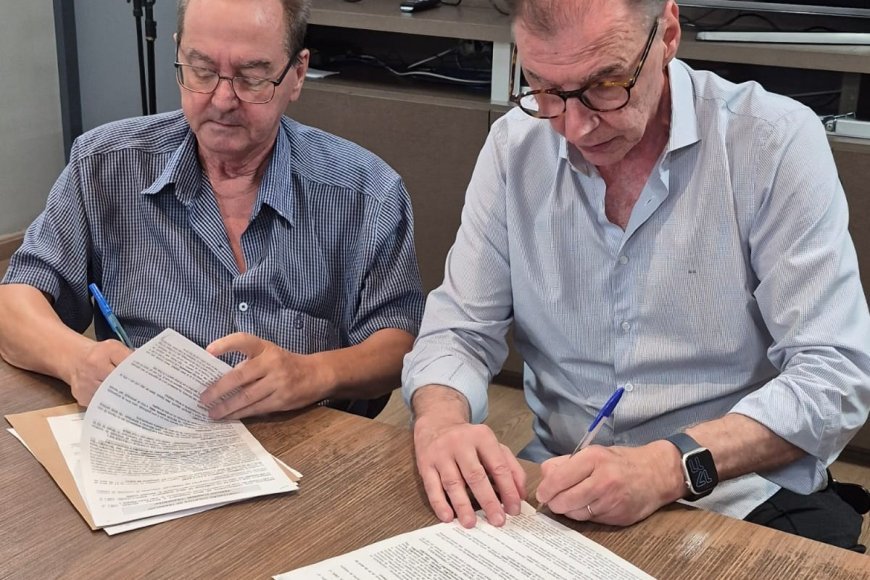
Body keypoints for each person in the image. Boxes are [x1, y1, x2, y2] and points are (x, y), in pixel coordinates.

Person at [402, 0, 870, 550]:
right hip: (564, 486)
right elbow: (459, 330)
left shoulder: (769, 141)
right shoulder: (516, 146)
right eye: (544, 89)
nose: (575, 127)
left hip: (738, 492)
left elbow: (834, 376)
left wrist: (668, 466)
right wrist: (442, 422)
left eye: (605, 86)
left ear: (667, 34)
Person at [0, 0, 424, 421]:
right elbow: (13, 305)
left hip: (308, 439)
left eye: (251, 77)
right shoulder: (104, 166)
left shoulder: (365, 192)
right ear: (178, 53)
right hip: (150, 431)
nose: (222, 100)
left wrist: (314, 373)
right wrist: (77, 359)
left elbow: (398, 344)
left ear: (297, 74)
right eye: (201, 71)